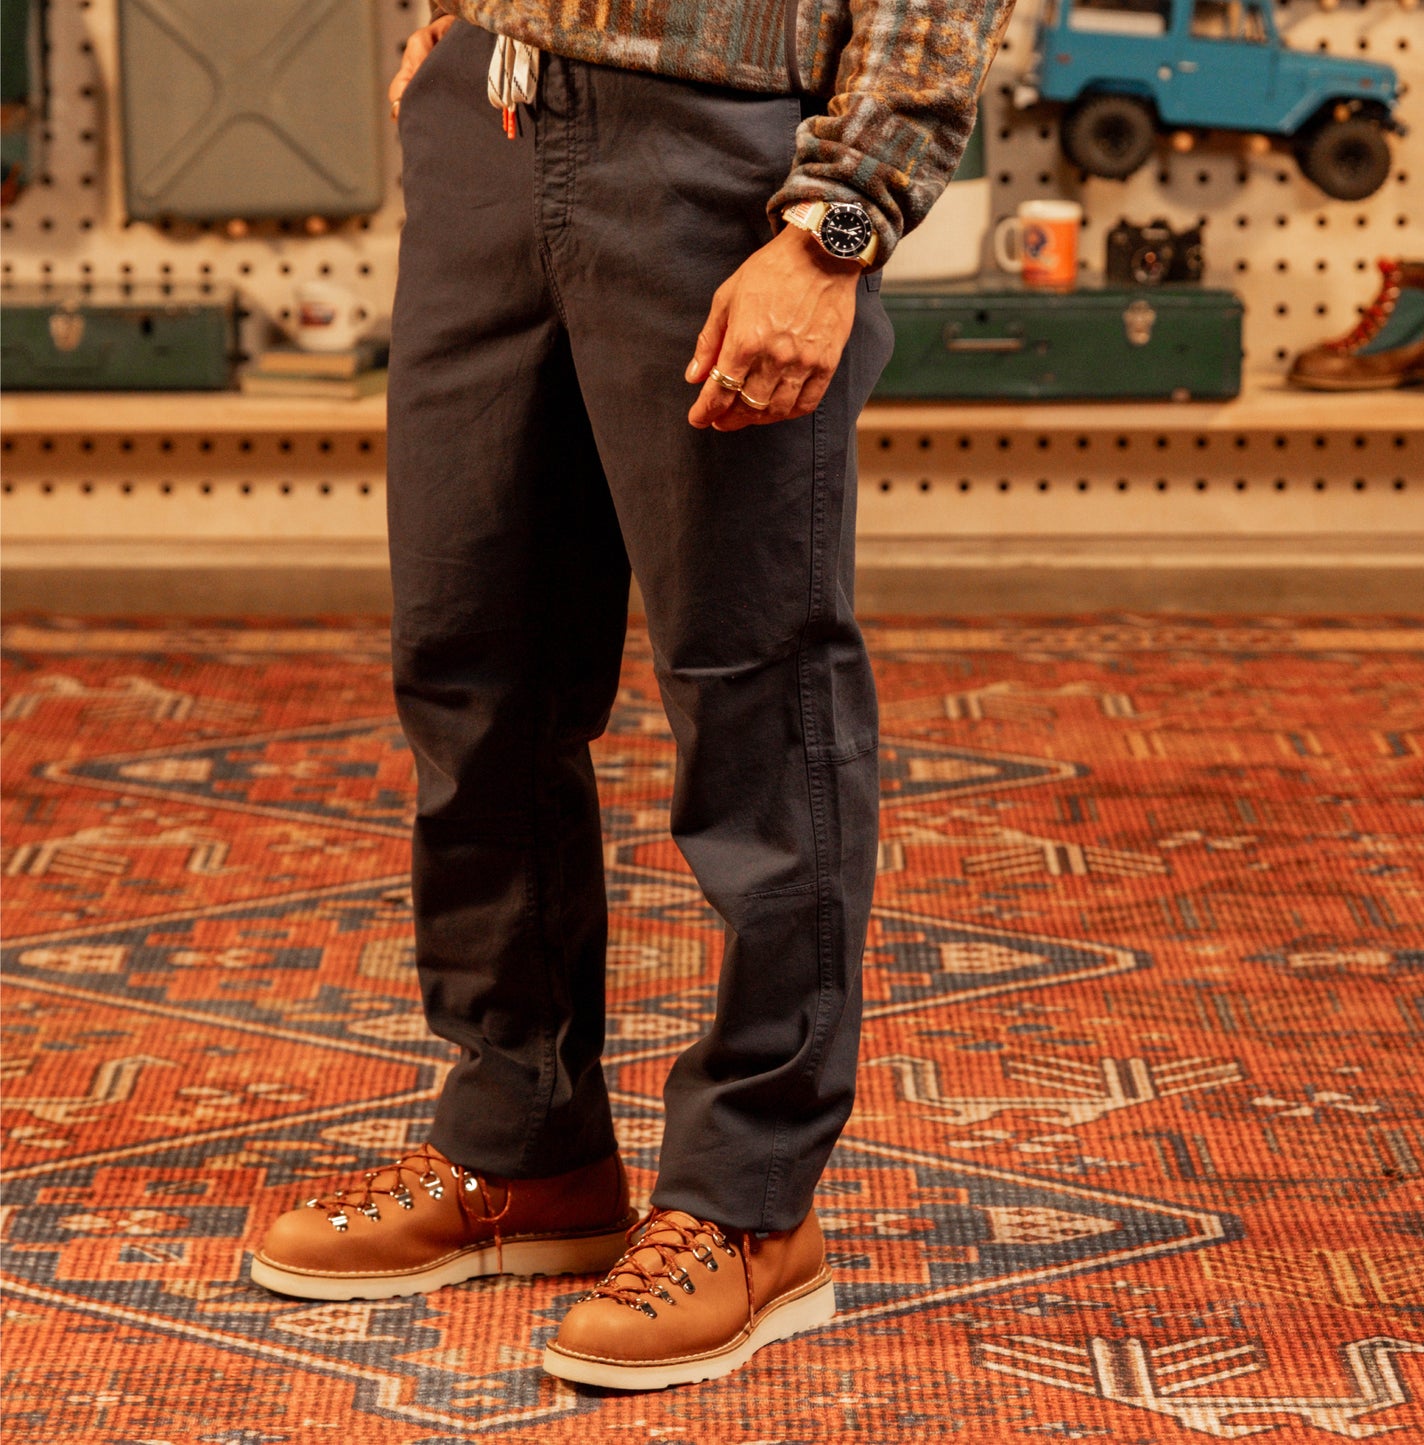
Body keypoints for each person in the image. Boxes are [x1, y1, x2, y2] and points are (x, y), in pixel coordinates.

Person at [249, 0, 1013, 1390]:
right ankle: (521, 1141)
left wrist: (836, 222)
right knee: (472, 664)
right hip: (490, 118)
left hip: (719, 158)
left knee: (754, 692)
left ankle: (752, 1202)